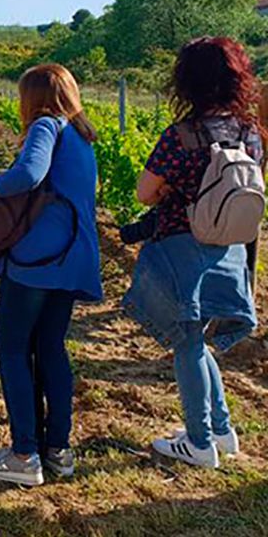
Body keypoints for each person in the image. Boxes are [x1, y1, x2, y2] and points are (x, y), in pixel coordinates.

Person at [124, 37, 264, 469]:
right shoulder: (252, 135)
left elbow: (146, 193)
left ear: (187, 81)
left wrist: (172, 188)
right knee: (199, 342)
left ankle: (199, 443)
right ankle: (222, 432)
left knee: (186, 343)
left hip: (183, 248)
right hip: (230, 247)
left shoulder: (181, 136)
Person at [0, 64, 102, 486]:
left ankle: (24, 454)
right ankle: (58, 449)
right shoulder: (82, 134)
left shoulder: (46, 125)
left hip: (37, 261)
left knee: (12, 346)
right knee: (52, 347)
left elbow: (28, 175)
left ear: (33, 97)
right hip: (72, 257)